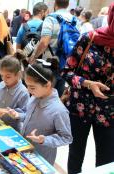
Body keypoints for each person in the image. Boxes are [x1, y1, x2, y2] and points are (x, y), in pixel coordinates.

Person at [63, 3, 114, 173]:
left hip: (109, 111)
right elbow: (66, 71)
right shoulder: (89, 38)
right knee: (75, 155)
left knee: (107, 160)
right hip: (81, 106)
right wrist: (88, 84)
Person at [14, 59, 72, 165]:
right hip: (25, 150)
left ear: (47, 85)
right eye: (27, 86)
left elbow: (66, 138)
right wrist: (19, 115)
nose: (28, 90)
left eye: (32, 87)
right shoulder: (34, 97)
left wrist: (44, 140)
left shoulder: (59, 110)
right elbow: (29, 116)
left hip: (41, 158)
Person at [30, 0, 80, 97]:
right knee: (57, 95)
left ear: (55, 4)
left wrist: (34, 56)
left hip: (49, 63)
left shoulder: (51, 18)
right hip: (66, 64)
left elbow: (44, 42)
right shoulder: (75, 20)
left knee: (43, 94)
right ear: (68, 5)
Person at [0, 53, 30, 132]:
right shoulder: (1, 84)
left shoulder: (23, 92)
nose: (4, 79)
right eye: (2, 75)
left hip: (13, 129)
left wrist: (9, 112)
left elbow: (25, 115)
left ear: (18, 75)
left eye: (8, 76)